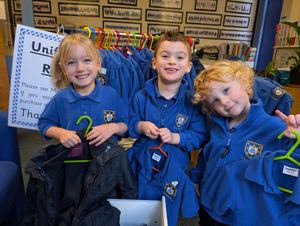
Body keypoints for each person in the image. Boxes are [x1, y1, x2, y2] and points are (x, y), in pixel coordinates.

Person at [190, 59, 300, 226]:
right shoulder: (217, 126)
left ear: (244, 82)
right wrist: (196, 179)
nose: (224, 102)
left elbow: (292, 165)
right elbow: (207, 155)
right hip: (209, 208)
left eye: (226, 90)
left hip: (243, 216)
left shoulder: (275, 127)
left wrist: (297, 139)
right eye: (215, 101)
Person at [128, 31, 208, 170]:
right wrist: (141, 126)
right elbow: (128, 123)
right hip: (141, 166)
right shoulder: (140, 97)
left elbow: (200, 136)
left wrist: (175, 137)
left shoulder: (194, 102)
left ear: (189, 66)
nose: (172, 61)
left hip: (175, 170)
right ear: (154, 63)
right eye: (165, 56)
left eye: (179, 57)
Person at [38, 33, 128, 148]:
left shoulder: (111, 95)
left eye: (87, 60)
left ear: (98, 64)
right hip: (74, 162)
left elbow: (126, 124)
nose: (80, 68)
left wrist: (113, 127)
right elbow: (44, 124)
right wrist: (61, 133)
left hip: (108, 161)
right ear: (63, 68)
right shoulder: (60, 98)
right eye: (71, 62)